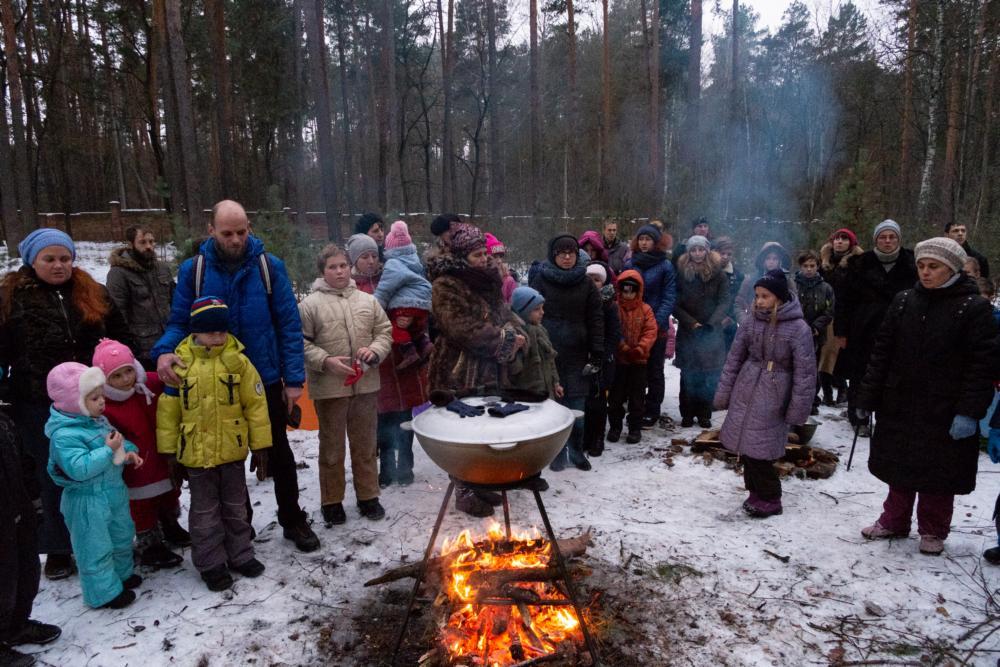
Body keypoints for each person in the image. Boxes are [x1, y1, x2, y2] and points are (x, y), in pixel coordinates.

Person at [152, 200, 319, 553]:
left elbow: (288, 326)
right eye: (227, 233)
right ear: (211, 230)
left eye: (241, 232)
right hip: (213, 379)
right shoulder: (194, 270)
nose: (235, 239)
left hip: (265, 377)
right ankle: (238, 525)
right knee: (228, 458)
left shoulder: (269, 267)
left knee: (278, 452)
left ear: (250, 228)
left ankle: (292, 518)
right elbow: (180, 321)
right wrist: (165, 350)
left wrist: (293, 379)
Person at [0, 228, 133, 580]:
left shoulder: (91, 290)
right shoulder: (12, 296)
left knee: (103, 465)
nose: (59, 266)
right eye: (50, 259)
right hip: (39, 401)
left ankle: (106, 538)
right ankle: (59, 546)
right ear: (33, 260)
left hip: (94, 398)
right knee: (54, 473)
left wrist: (133, 367)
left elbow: (120, 332)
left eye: (64, 258)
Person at [856, 237, 997, 556]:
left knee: (938, 474)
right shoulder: (904, 300)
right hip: (901, 401)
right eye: (921, 265)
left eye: (933, 266)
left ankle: (933, 529)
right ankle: (894, 520)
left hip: (944, 406)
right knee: (899, 467)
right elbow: (882, 352)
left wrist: (970, 411)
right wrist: (867, 397)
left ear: (952, 268)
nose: (925, 272)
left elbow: (982, 363)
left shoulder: (973, 308)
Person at [156, 297, 271, 591]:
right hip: (195, 455)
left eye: (222, 331)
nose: (218, 337)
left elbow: (256, 406)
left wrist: (260, 446)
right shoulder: (179, 364)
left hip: (231, 451)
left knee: (236, 508)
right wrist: (169, 453)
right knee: (204, 513)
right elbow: (168, 411)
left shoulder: (239, 361)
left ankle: (240, 554)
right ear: (195, 332)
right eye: (210, 332)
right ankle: (210, 563)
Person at [428, 223, 526, 516]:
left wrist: (519, 330)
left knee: (485, 426)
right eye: (476, 255)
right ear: (460, 257)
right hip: (457, 369)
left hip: (489, 368)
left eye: (485, 253)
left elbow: (502, 311)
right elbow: (460, 327)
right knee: (462, 431)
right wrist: (504, 339)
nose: (484, 259)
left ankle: (481, 481)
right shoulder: (445, 285)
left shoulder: (490, 278)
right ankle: (464, 490)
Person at [299, 245, 393, 525]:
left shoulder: (367, 301)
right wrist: (325, 361)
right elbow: (300, 343)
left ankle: (368, 496)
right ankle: (332, 500)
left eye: (342, 265)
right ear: (322, 271)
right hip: (330, 388)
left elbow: (384, 331)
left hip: (365, 385)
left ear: (349, 267)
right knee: (331, 448)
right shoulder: (309, 306)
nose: (339, 271)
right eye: (332, 267)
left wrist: (374, 351)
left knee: (365, 445)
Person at [714, 269, 816, 518]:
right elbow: (735, 357)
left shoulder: (798, 328)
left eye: (765, 296)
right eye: (757, 295)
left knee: (760, 449)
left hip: (775, 393)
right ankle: (755, 492)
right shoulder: (751, 321)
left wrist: (797, 410)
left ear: (780, 298)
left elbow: (805, 373)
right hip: (747, 385)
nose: (759, 301)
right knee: (745, 447)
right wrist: (724, 392)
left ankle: (771, 497)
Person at [45, 362, 142, 609]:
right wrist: (107, 450)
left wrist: (129, 452)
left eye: (101, 396)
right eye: (94, 398)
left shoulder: (98, 421)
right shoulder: (64, 435)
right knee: (94, 546)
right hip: (87, 500)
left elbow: (117, 442)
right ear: (73, 402)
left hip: (112, 491)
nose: (102, 402)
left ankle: (120, 576)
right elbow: (79, 468)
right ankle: (104, 593)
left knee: (121, 536)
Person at [94, 339, 185, 569]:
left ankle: (170, 525)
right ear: (105, 379)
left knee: (169, 492)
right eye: (117, 376)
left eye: (129, 371)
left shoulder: (149, 385)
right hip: (136, 466)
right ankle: (149, 542)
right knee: (141, 504)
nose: (126, 379)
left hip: (162, 454)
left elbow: (172, 378)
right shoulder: (107, 406)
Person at [834, 219, 917, 437]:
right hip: (862, 328)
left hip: (900, 329)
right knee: (860, 374)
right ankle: (857, 416)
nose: (887, 241)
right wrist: (841, 331)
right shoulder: (860, 263)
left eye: (892, 237)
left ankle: (887, 417)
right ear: (875, 240)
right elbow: (844, 300)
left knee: (893, 375)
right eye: (883, 237)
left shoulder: (912, 263)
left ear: (898, 239)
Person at [530, 234, 604, 471]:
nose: (566, 257)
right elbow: (529, 316)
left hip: (578, 353)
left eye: (571, 252)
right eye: (561, 252)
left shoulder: (586, 284)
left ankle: (577, 451)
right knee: (554, 407)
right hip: (548, 353)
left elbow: (596, 318)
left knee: (577, 407)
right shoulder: (541, 280)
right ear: (553, 255)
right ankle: (557, 452)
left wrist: (597, 350)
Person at [371, 221, 433, 487]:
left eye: (374, 256)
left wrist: (414, 325)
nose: (371, 261)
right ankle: (386, 470)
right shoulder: (355, 287)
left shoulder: (389, 273)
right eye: (365, 257)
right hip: (383, 365)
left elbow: (418, 314)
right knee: (384, 420)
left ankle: (405, 468)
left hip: (407, 365)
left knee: (406, 418)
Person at [0, 406, 61, 667]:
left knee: (25, 572)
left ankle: (16, 625)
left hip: (18, 508)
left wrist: (33, 496)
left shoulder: (4, 421)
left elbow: (23, 459)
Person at [673, 235, 729, 428]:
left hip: (711, 331)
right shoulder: (681, 274)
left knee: (708, 375)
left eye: (701, 249)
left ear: (707, 251)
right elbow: (675, 302)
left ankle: (705, 413)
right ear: (689, 252)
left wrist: (711, 323)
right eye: (693, 250)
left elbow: (724, 301)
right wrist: (690, 322)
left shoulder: (718, 274)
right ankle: (687, 413)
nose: (697, 253)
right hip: (689, 331)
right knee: (688, 375)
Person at [624, 224, 677, 428]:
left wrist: (654, 321)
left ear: (656, 242)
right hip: (633, 325)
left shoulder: (665, 266)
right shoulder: (631, 264)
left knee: (655, 370)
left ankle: (653, 408)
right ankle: (636, 406)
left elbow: (669, 296)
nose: (644, 243)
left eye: (648, 239)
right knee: (636, 369)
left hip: (658, 325)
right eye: (641, 239)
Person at [106, 226, 175, 369]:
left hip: (170, 342)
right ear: (131, 244)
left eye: (151, 241)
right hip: (142, 350)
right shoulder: (119, 273)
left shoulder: (162, 268)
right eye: (143, 242)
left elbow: (175, 301)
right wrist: (128, 349)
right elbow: (117, 315)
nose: (149, 246)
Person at [607, 270, 657, 445]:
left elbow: (651, 331)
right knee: (615, 397)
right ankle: (615, 426)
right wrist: (622, 346)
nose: (628, 294)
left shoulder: (645, 309)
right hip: (619, 360)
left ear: (638, 291)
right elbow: (613, 329)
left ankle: (635, 428)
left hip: (639, 361)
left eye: (632, 290)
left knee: (637, 397)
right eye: (625, 290)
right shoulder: (615, 307)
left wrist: (641, 348)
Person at [818, 228, 863, 406]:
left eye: (844, 239)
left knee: (839, 356)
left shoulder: (858, 263)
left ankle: (843, 390)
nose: (840, 242)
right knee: (824, 354)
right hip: (825, 313)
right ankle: (827, 392)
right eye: (837, 238)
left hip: (847, 315)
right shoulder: (824, 263)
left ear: (851, 243)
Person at [582, 262, 620, 456]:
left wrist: (602, 355)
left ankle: (598, 437)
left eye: (597, 280)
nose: (593, 283)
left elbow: (614, 335)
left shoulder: (610, 306)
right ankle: (586, 436)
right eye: (589, 279)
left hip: (603, 361)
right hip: (583, 357)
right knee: (586, 400)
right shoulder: (580, 301)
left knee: (599, 401)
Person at [794, 251, 834, 414]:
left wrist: (816, 327)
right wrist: (800, 326)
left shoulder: (825, 288)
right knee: (795, 368)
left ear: (818, 266)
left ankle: (811, 401)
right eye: (805, 266)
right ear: (800, 267)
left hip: (817, 335)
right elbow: (789, 306)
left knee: (812, 370)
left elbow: (829, 311)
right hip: (795, 333)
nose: (809, 269)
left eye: (812, 266)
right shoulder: (793, 285)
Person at [509, 286, 562, 400]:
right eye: (537, 309)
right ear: (524, 310)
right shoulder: (515, 333)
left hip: (546, 391)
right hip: (527, 396)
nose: (542, 312)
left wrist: (556, 382)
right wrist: (513, 350)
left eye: (542, 308)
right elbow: (513, 370)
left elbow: (550, 359)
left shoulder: (540, 329)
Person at [736, 241, 796, 317]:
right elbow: (739, 303)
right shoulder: (750, 280)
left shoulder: (787, 281)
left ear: (780, 261)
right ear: (763, 260)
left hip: (779, 323)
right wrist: (745, 321)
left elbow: (794, 304)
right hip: (755, 324)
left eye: (775, 259)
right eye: (768, 258)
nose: (771, 262)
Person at [713, 236, 743, 352]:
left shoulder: (738, 275)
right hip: (709, 323)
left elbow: (737, 299)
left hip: (729, 324)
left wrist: (731, 317)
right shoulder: (707, 271)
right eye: (722, 253)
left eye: (729, 254)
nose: (725, 257)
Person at [485, 233, 518, 303]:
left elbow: (513, 308)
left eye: (500, 256)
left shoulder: (508, 280)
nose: (499, 261)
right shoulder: (474, 278)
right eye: (494, 256)